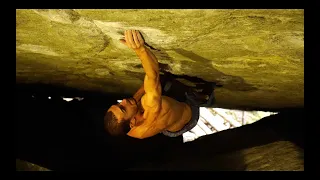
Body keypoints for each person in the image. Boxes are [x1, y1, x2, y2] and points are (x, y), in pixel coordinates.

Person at [104, 30, 215, 139]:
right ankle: (206, 98)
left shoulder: (129, 130)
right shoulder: (150, 106)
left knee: (157, 85)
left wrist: (152, 83)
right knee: (176, 88)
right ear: (132, 123)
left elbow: (136, 100)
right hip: (189, 113)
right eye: (123, 108)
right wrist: (140, 50)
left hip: (168, 125)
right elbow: (153, 75)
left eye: (118, 104)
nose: (123, 100)